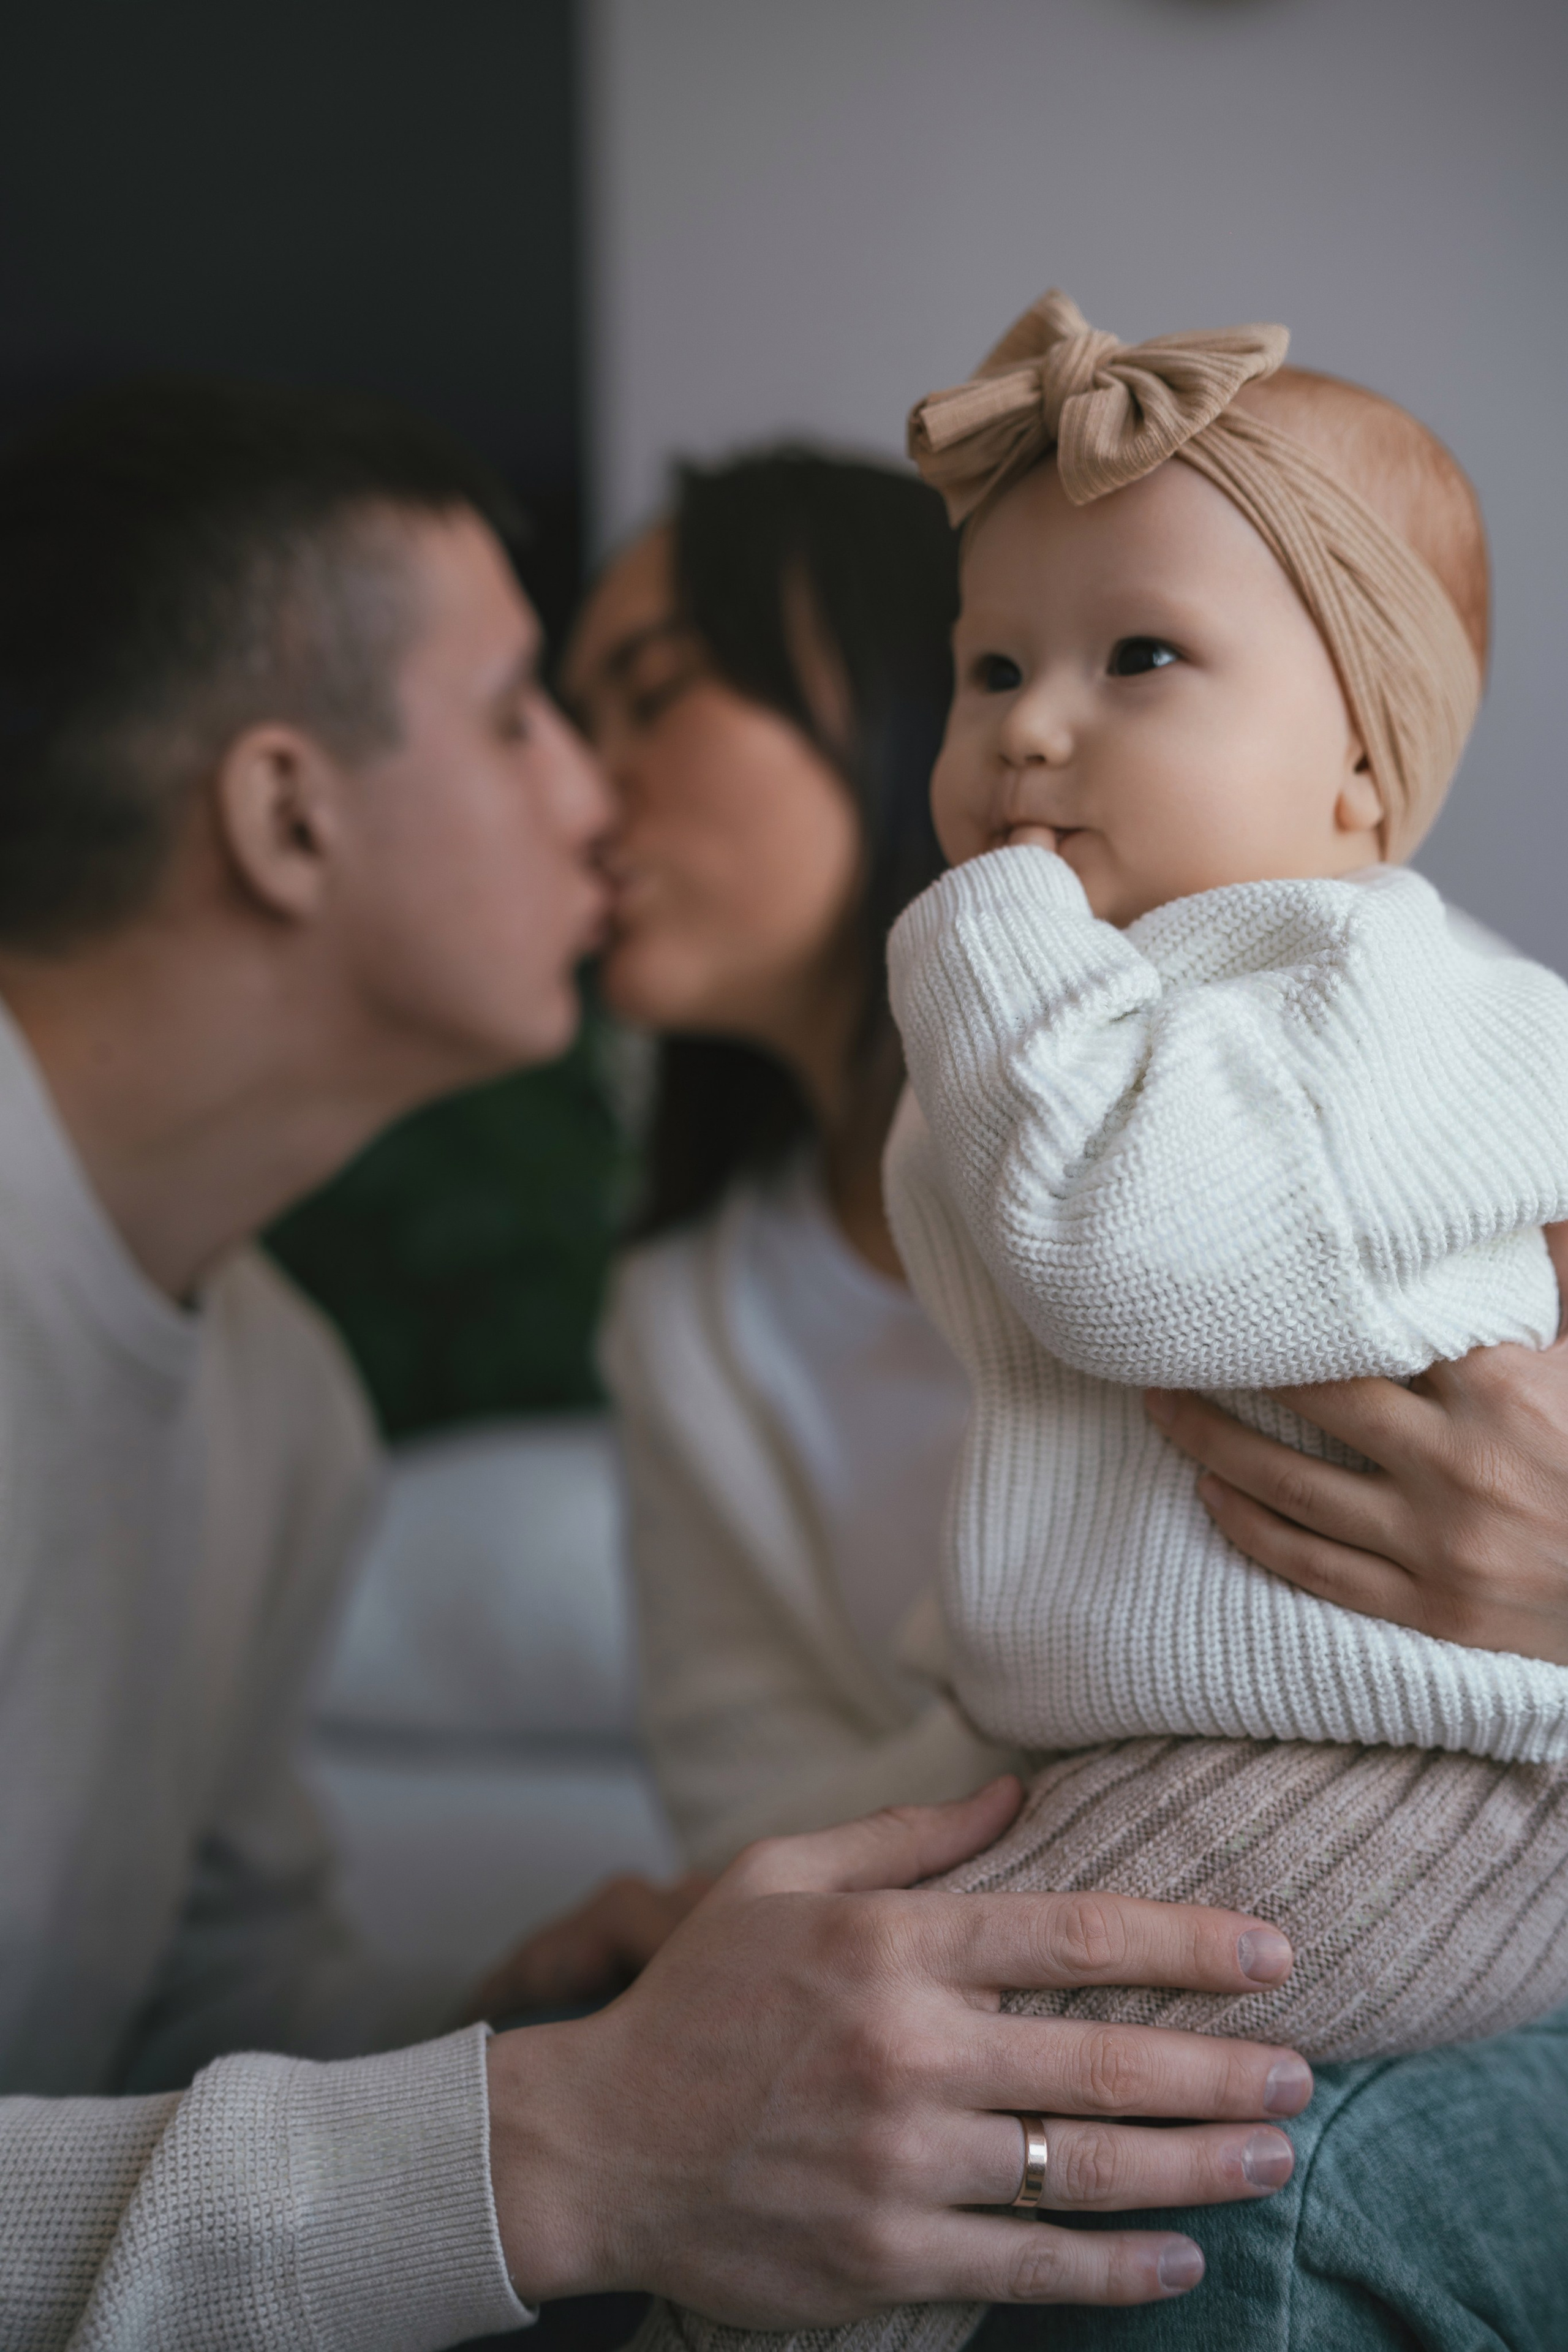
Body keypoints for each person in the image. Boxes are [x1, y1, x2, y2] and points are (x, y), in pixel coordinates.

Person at [0, 379, 1318, 2347]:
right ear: (288, 814)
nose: (593, 796)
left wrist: (548, 2031)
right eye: (530, 709)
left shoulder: (278, 1405)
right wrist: (568, 2137)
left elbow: (189, 2024)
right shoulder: (683, 1323)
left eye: (639, 696)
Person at [570, 442, 1568, 2348]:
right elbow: (937, 1698)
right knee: (819, 2025)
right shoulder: (706, 1298)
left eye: (655, 693)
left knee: (912, 2085)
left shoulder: (1373, 1003)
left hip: (1400, 1785)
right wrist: (733, 1919)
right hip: (1153, 1769)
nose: (1032, 739)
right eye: (997, 675)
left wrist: (993, 923)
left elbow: (1111, 1253)